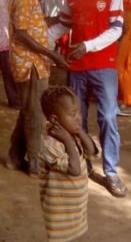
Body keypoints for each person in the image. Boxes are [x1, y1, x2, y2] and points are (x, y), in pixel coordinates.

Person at [49, 0, 127, 197]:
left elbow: (116, 30)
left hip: (104, 65)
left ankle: (111, 172)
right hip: (77, 65)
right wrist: (43, 40)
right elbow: (64, 24)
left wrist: (88, 45)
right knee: (76, 117)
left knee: (107, 117)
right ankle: (84, 163)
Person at [7, 0, 67, 178]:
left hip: (36, 61)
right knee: (35, 113)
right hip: (30, 62)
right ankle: (33, 161)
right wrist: (52, 55)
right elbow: (21, 33)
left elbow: (32, 25)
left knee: (28, 110)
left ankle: (14, 156)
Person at [39, 87, 98, 241]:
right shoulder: (49, 144)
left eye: (79, 112)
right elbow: (74, 170)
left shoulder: (75, 134)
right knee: (61, 237)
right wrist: (67, 141)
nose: (79, 118)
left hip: (76, 203)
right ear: (55, 120)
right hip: (59, 207)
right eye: (73, 114)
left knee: (73, 234)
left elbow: (91, 151)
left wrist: (79, 132)